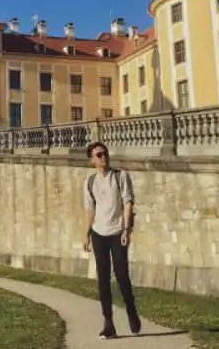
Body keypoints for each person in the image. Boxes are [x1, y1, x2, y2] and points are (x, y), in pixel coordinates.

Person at [82, 141, 141, 339]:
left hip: (117, 232)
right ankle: (108, 324)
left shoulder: (120, 176)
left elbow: (127, 202)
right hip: (99, 233)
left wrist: (126, 229)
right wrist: (86, 234)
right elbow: (90, 209)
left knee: (122, 276)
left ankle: (131, 310)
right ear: (92, 160)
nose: (103, 157)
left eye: (105, 153)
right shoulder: (89, 182)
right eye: (99, 155)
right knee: (103, 279)